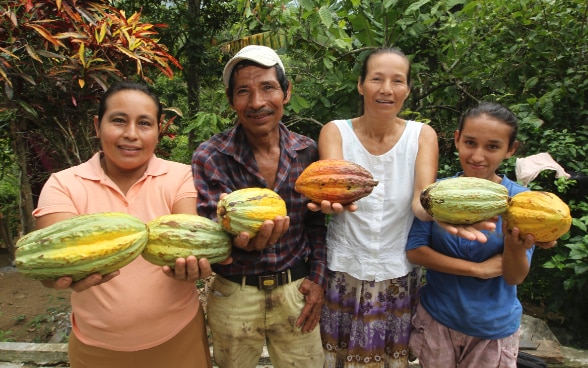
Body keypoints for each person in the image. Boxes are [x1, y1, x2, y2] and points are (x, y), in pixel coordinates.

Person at [33, 81, 215, 368]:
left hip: (179, 339)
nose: (131, 134)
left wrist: (194, 261)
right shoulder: (63, 184)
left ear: (159, 131)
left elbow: (188, 233)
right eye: (119, 120)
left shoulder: (181, 177)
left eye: (144, 123)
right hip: (97, 350)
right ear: (97, 125)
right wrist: (52, 273)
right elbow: (52, 257)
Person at [192, 45, 327, 368]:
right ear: (230, 100)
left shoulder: (308, 152)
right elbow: (215, 234)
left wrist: (318, 279)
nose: (256, 102)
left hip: (296, 290)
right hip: (235, 294)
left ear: (286, 91)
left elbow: (317, 226)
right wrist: (241, 242)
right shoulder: (211, 156)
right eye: (243, 91)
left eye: (268, 87)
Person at [406, 102, 557, 368]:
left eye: (492, 147)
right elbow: (416, 251)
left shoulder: (522, 202)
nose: (477, 155)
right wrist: (478, 269)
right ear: (457, 139)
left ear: (511, 150)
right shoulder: (437, 194)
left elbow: (514, 276)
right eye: (470, 142)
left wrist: (514, 242)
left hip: (493, 330)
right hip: (436, 321)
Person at [316, 47, 439, 368]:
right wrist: (331, 205)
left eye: (397, 81)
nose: (387, 89)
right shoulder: (335, 131)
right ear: (360, 85)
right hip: (344, 270)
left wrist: (444, 213)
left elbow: (421, 201)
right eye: (377, 79)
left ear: (408, 89)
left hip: (397, 274)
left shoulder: (422, 136)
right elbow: (332, 185)